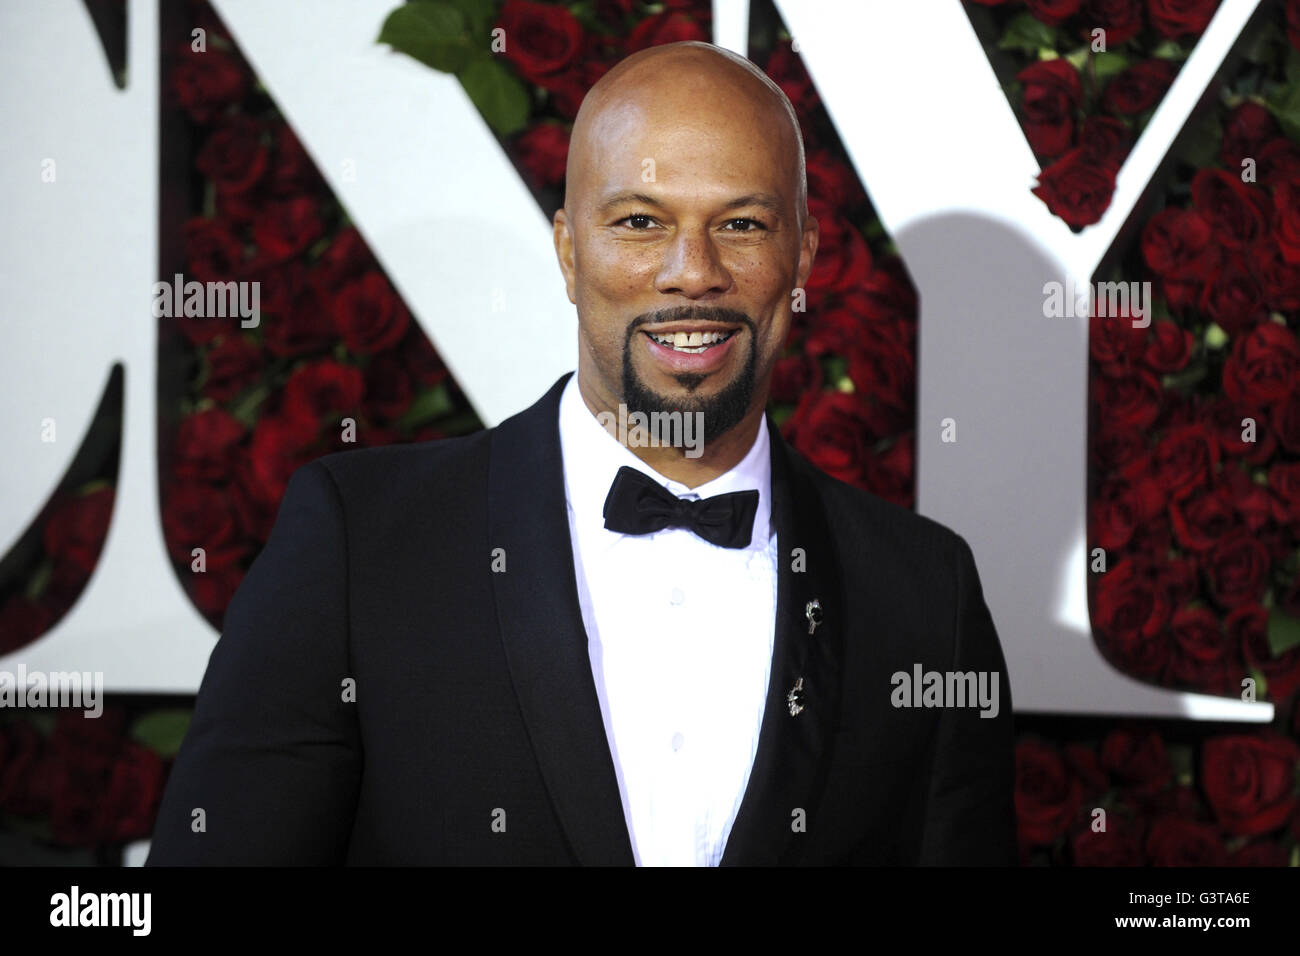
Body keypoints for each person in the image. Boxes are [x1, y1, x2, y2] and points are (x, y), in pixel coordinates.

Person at [147, 40, 1015, 866]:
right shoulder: (361, 546)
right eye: (640, 221)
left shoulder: (921, 593)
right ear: (569, 252)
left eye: (743, 224)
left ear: (803, 256)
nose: (692, 271)